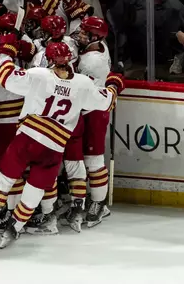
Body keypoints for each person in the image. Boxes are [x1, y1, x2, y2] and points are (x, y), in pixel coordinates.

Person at [0, 40, 124, 249]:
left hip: (28, 139)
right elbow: (107, 101)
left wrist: (5, 52)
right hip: (54, 148)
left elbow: (7, 78)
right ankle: (15, 227)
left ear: (49, 60)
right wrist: (115, 83)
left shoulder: (39, 75)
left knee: (5, 179)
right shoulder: (82, 83)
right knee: (35, 190)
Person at [74, 16, 112, 227]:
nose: (79, 35)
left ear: (94, 37)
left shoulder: (91, 62)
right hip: (91, 108)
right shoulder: (101, 46)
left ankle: (99, 204)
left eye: (83, 33)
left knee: (93, 161)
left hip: (94, 112)